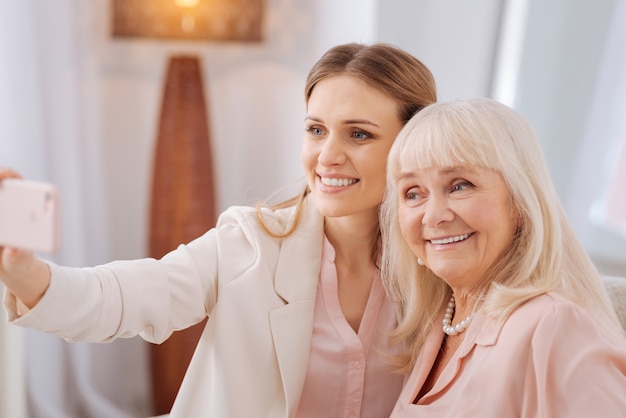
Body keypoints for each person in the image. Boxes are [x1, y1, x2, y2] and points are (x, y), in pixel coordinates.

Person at [0, 42, 437, 417]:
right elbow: (127, 297)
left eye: (358, 135)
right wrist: (30, 277)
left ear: (412, 143)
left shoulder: (439, 264)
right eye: (316, 130)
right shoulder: (251, 243)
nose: (327, 156)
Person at [379, 97, 626, 417]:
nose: (433, 215)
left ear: (520, 204)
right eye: (413, 193)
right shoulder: (439, 323)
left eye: (460, 185)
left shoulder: (554, 326)